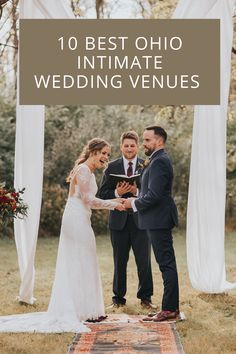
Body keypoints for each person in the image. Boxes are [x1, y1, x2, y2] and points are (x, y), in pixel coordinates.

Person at [0, 138, 125, 333]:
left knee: (86, 258)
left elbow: (89, 202)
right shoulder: (83, 169)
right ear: (93, 151)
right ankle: (78, 310)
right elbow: (88, 199)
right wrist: (114, 203)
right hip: (75, 218)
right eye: (104, 153)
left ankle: (89, 310)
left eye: (108, 154)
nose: (106, 157)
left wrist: (113, 201)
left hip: (82, 217)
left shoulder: (89, 171)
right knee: (79, 260)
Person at [124, 126, 179, 322]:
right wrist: (136, 196)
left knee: (166, 263)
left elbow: (155, 195)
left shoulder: (160, 161)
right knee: (165, 262)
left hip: (159, 219)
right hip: (155, 218)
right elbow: (150, 190)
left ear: (159, 141)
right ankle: (171, 308)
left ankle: (169, 309)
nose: (143, 144)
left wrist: (134, 202)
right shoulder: (155, 160)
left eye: (147, 140)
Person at [99, 131, 155, 309]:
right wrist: (118, 193)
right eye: (126, 145)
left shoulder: (147, 165)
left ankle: (146, 298)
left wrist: (137, 191)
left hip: (141, 221)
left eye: (132, 145)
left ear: (137, 146)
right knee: (119, 261)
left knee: (144, 261)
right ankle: (118, 299)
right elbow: (102, 194)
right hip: (118, 221)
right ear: (121, 147)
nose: (129, 148)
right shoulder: (111, 167)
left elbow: (154, 193)